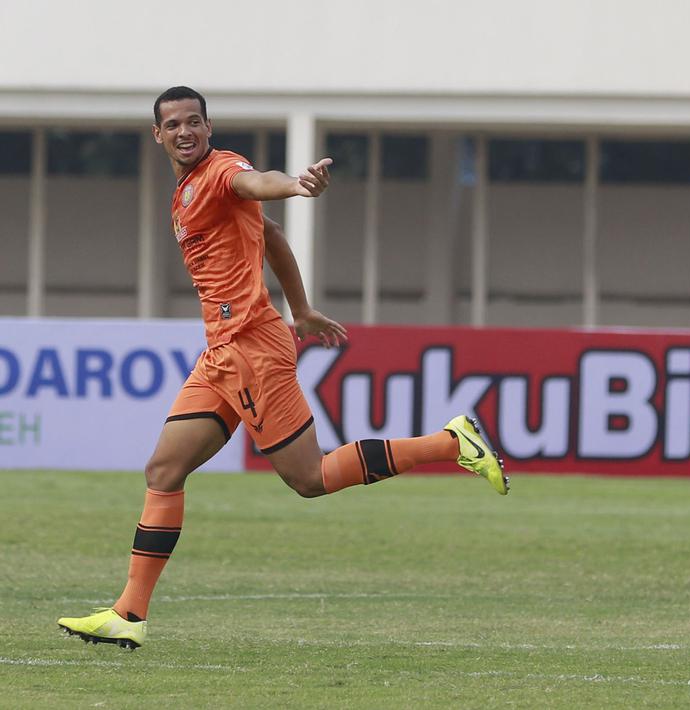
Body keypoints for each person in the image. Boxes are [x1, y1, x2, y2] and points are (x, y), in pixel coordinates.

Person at [57, 86, 508, 650]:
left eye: (193, 122)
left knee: (309, 478)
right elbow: (269, 236)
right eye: (172, 125)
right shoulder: (185, 192)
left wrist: (295, 184)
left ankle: (450, 443)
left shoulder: (223, 172)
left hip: (250, 349)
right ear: (158, 135)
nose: (184, 132)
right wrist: (303, 309)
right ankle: (129, 613)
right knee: (163, 470)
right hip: (222, 353)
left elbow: (258, 182)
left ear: (209, 126)